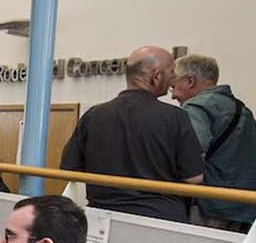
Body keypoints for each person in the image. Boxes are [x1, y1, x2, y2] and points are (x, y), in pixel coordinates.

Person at [60, 45, 204, 223]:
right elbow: (193, 178)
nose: (173, 78)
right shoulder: (175, 117)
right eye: (171, 72)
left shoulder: (94, 115)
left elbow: (69, 167)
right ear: (156, 76)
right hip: (161, 220)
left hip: (103, 217)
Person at [172, 53, 256, 232]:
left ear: (190, 80)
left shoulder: (196, 108)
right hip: (246, 207)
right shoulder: (242, 109)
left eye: (174, 87)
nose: (174, 96)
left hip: (210, 206)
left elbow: (192, 154)